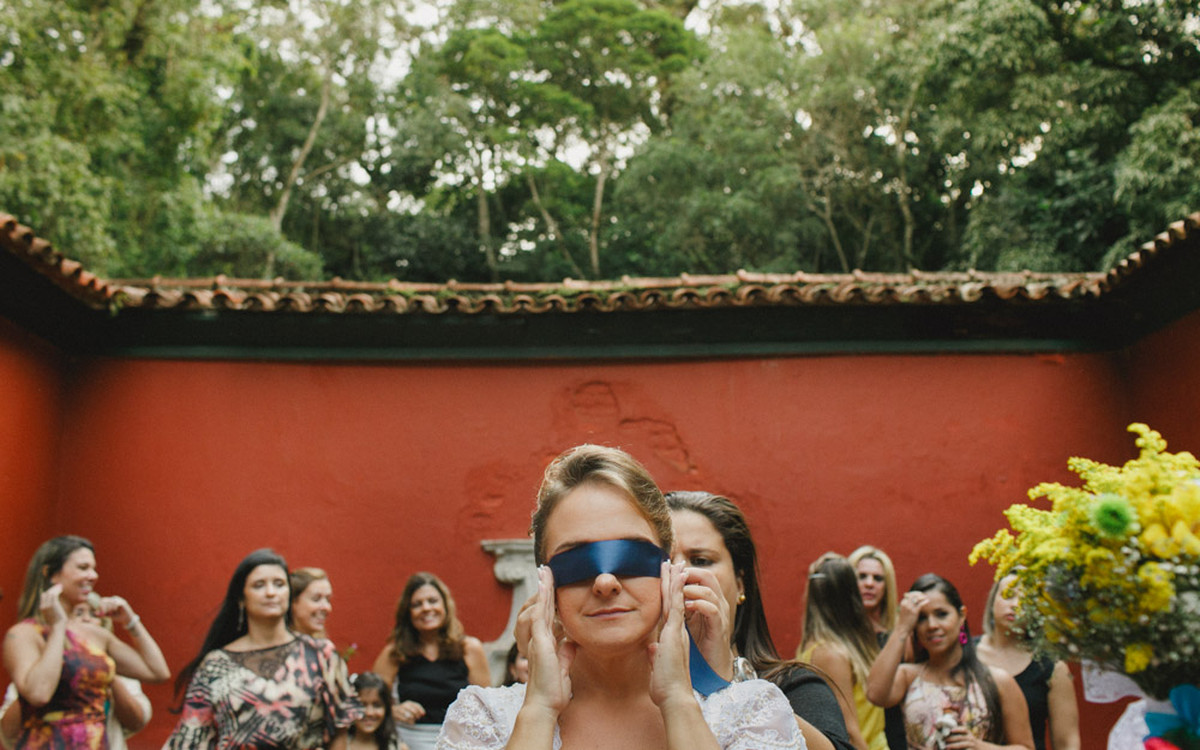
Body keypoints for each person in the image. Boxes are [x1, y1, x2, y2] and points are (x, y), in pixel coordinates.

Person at [436, 443, 804, 750]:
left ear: (668, 568)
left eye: (630, 556)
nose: (606, 580)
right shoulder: (481, 718)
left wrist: (679, 702)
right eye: (577, 560)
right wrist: (538, 712)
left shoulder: (752, 712)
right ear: (546, 581)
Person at [665, 490, 853, 750]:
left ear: (741, 584)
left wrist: (728, 683)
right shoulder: (634, 692)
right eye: (664, 561)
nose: (681, 573)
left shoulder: (796, 687)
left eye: (701, 560)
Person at [166, 548, 361, 749]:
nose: (271, 592)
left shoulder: (321, 655)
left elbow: (340, 732)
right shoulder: (215, 664)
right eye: (259, 585)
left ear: (288, 594)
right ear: (241, 599)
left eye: (279, 584)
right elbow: (190, 738)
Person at [2, 535, 170, 749]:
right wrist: (58, 627)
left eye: (93, 569)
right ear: (50, 574)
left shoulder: (95, 634)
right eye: (83, 568)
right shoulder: (24, 634)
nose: (93, 576)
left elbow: (157, 672)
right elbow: (39, 694)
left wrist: (131, 620)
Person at [866, 573, 1034, 750]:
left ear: (962, 616)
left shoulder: (997, 681)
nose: (932, 625)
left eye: (941, 614)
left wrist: (978, 746)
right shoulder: (909, 676)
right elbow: (875, 694)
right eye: (922, 618)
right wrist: (902, 627)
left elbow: (1026, 747)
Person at [371, 573, 490, 750]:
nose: (426, 608)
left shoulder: (469, 649)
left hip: (458, 742)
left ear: (445, 606)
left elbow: (487, 706)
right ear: (407, 612)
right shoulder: (394, 653)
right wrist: (393, 711)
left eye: (432, 601)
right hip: (408, 742)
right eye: (417, 604)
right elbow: (370, 702)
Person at [975, 576, 1079, 750]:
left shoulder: (1052, 667)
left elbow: (1067, 743)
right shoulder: (964, 653)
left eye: (1026, 600)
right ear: (993, 600)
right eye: (1008, 595)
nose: (1015, 605)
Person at [798, 553, 886, 750]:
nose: (867, 585)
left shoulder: (828, 645)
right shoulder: (831, 654)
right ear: (849, 595)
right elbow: (850, 733)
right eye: (857, 581)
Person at [848, 545, 907, 750]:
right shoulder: (838, 639)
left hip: (896, 736)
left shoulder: (898, 635)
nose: (869, 584)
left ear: (887, 586)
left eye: (878, 578)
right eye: (862, 576)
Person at [348, 672, 406, 750]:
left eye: (377, 705)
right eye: (362, 705)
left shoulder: (396, 747)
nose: (369, 713)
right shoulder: (337, 744)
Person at [291, 567, 334, 639]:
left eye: (328, 599)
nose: (327, 607)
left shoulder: (323, 647)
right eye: (316, 599)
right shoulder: (276, 647)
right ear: (292, 602)